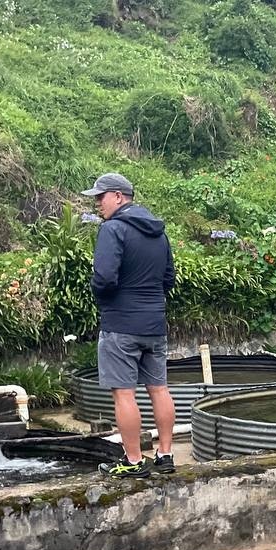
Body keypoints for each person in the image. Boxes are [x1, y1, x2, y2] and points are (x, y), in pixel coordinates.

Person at [82, 172, 177, 477]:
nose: (98, 204)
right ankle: (165, 455)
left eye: (101, 197)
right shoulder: (159, 232)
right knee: (159, 389)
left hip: (121, 325)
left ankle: (134, 461)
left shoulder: (112, 229)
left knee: (124, 394)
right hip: (155, 324)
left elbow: (104, 278)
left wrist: (105, 301)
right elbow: (169, 279)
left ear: (118, 196)